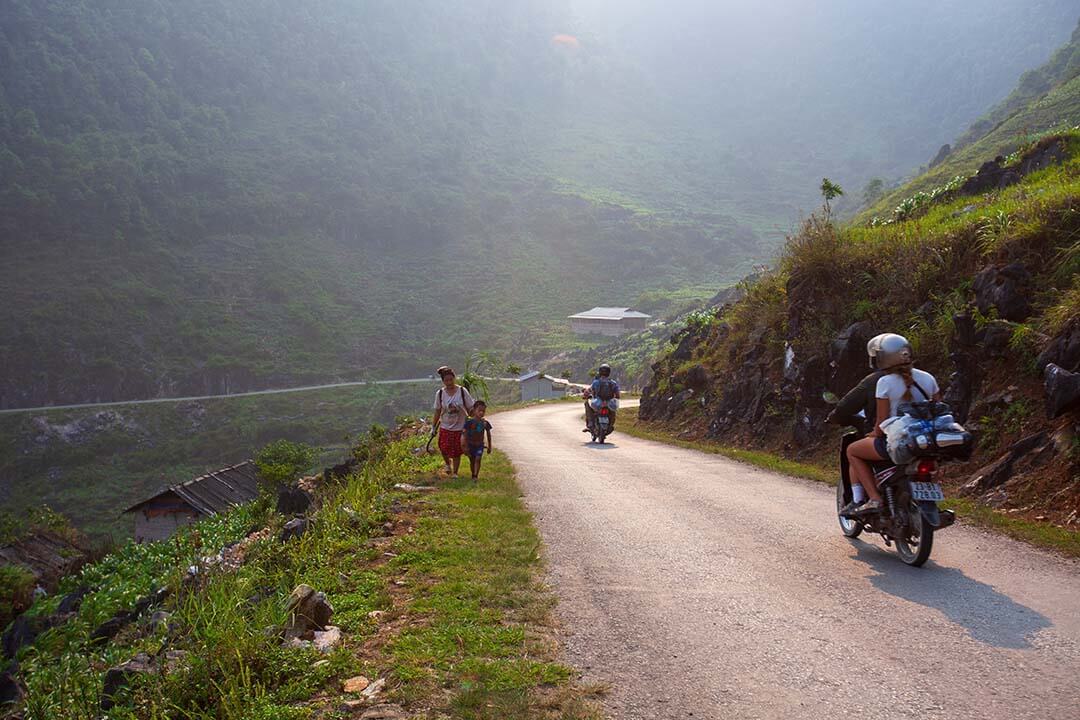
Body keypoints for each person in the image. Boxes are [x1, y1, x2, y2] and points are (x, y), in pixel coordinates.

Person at [843, 334, 941, 516]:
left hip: (897, 440)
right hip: (925, 439)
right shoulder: (928, 378)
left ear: (882, 358)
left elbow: (881, 422)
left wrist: (872, 434)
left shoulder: (885, 382)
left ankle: (874, 498)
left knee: (852, 450)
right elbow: (938, 410)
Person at [431, 366, 475, 476]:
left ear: (454, 378)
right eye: (446, 380)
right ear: (443, 381)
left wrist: (476, 418)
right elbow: (437, 411)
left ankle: (455, 473)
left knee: (456, 450)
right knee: (443, 447)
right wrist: (433, 427)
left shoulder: (462, 391)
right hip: (445, 425)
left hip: (460, 426)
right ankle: (447, 464)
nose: (449, 382)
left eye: (451, 379)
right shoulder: (440, 393)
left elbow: (470, 407)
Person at [584, 363, 620, 433]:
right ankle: (611, 425)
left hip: (598, 402)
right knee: (613, 411)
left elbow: (589, 391)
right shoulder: (613, 383)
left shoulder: (596, 382)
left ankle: (590, 422)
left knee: (587, 404)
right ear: (609, 372)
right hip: (609, 403)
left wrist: (585, 395)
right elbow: (618, 395)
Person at [463, 401, 493, 480]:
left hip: (479, 445)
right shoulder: (469, 423)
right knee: (472, 460)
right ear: (474, 410)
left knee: (478, 458)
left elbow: (488, 434)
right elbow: (465, 434)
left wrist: (489, 446)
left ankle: (476, 476)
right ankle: (473, 474)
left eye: (483, 411)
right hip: (470, 445)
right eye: (479, 410)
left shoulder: (485, 423)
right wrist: (465, 446)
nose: (481, 413)